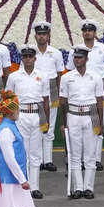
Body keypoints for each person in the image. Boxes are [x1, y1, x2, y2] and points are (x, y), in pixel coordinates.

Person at [66, 19, 104, 171]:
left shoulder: (103, 48)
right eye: (85, 31)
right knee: (80, 127)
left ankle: (95, 158)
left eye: (90, 30)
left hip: (98, 88)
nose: (87, 33)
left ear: (94, 33)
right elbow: (70, 71)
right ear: (82, 33)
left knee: (98, 122)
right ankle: (79, 159)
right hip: (80, 89)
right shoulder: (75, 50)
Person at [59, 45, 104, 199]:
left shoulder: (96, 77)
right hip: (73, 115)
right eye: (75, 57)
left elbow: (99, 102)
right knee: (75, 154)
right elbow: (63, 103)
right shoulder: (66, 77)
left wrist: (100, 123)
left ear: (87, 59)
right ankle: (78, 187)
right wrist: (63, 124)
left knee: (90, 154)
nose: (77, 60)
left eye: (80, 57)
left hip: (91, 115)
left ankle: (88, 188)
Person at [6, 44, 50, 198]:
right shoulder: (14, 76)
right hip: (20, 114)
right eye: (25, 56)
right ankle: (22, 186)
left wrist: (47, 121)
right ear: (22, 58)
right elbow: (9, 99)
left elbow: (45, 100)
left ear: (35, 58)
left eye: (30, 56)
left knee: (35, 153)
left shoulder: (42, 76)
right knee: (21, 152)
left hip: (37, 115)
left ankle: (35, 187)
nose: (28, 59)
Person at [33, 21, 64, 172]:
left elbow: (59, 76)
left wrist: (58, 93)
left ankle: (48, 160)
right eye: (39, 34)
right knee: (38, 126)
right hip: (36, 89)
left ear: (48, 35)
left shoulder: (56, 53)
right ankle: (38, 160)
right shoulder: (30, 52)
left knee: (50, 126)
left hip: (51, 89)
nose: (42, 37)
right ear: (35, 36)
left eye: (44, 34)